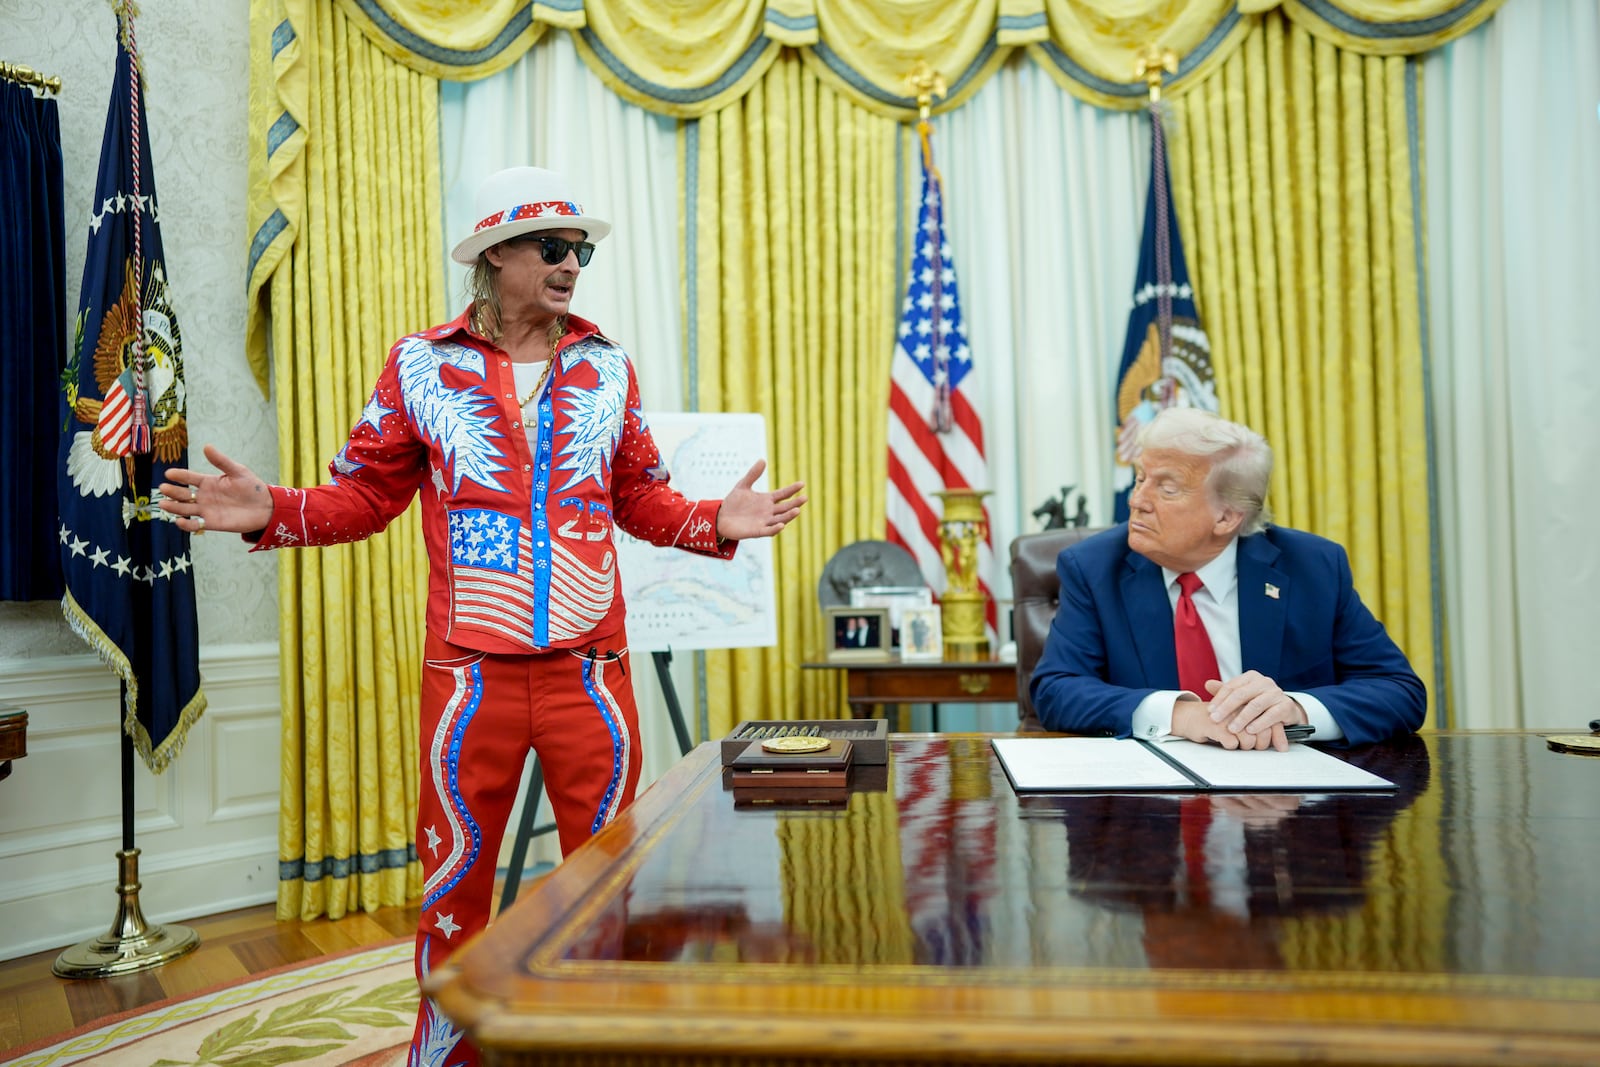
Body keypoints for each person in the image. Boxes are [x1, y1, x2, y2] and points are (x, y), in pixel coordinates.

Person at [157, 166, 806, 1067]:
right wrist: (274, 508)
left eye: (580, 247)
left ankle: (601, 1046)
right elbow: (364, 496)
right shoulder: (421, 364)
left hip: (591, 679)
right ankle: (447, 1054)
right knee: (455, 887)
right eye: (553, 246)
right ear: (495, 253)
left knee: (607, 885)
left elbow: (641, 496)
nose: (572, 261)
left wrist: (711, 521)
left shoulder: (606, 363)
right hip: (469, 683)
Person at [1029, 407, 1424, 750]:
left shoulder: (1313, 567)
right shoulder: (1095, 568)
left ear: (1227, 517)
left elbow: (1399, 690)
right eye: (1139, 478)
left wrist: (1295, 709)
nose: (1137, 500)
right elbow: (1056, 690)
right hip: (1150, 809)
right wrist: (1181, 715)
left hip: (1286, 809)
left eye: (1166, 488)